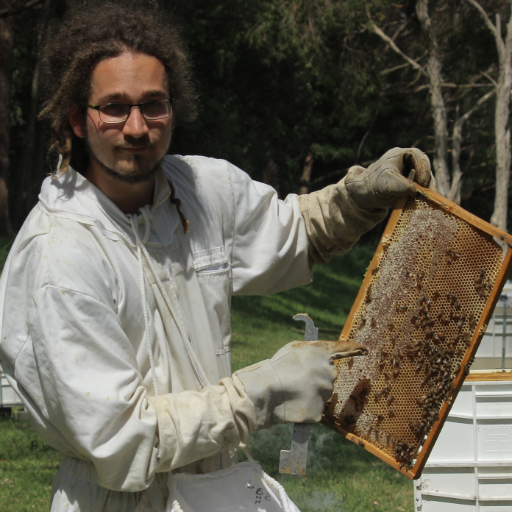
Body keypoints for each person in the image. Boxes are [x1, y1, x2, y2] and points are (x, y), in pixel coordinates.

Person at [0, 3, 433, 511]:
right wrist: (263, 391)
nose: (137, 127)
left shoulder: (201, 188)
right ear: (77, 119)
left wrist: (358, 198)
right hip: (118, 498)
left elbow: (294, 232)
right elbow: (122, 440)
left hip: (220, 484)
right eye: (114, 107)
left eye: (153, 104)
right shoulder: (60, 257)